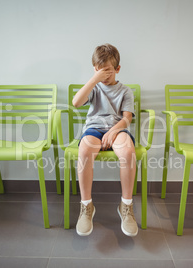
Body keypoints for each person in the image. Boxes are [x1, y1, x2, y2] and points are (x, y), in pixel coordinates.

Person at [72, 43, 137, 237]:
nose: (104, 75)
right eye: (99, 71)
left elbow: (127, 118)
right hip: (94, 129)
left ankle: (126, 206)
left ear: (117, 69)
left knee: (128, 152)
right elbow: (76, 102)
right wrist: (94, 79)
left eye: (107, 71)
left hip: (118, 130)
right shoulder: (94, 88)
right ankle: (86, 206)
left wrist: (113, 131)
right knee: (84, 151)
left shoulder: (125, 91)